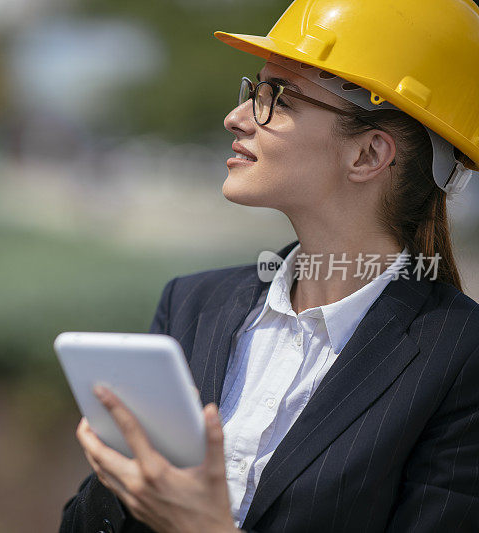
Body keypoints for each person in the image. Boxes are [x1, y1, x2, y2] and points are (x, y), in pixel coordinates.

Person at [59, 0, 479, 531]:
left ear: (368, 156)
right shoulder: (192, 305)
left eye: (275, 98)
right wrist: (119, 479)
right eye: (252, 90)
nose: (236, 117)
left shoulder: (461, 360)